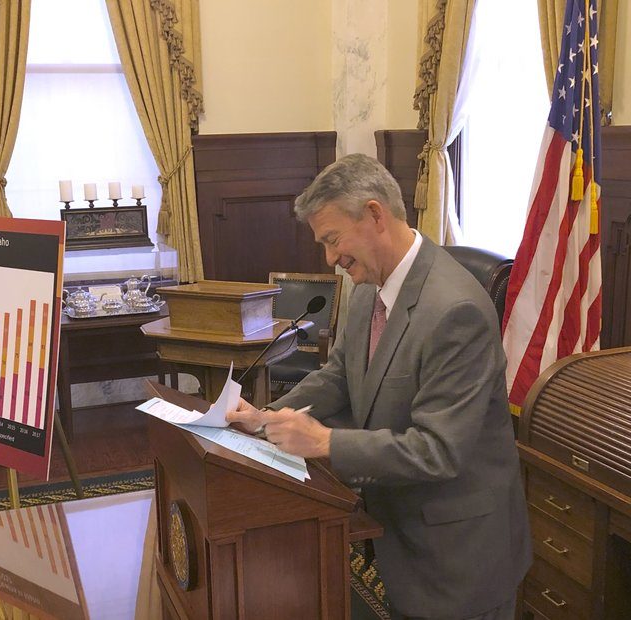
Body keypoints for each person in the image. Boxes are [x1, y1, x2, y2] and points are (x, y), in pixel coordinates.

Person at [227, 154, 532, 619]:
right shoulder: (369, 285)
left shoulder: (455, 312)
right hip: (400, 534)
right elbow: (341, 375)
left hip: (457, 554)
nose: (330, 259)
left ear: (374, 215)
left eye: (332, 240)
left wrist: (324, 441)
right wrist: (268, 419)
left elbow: (438, 450)